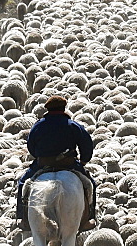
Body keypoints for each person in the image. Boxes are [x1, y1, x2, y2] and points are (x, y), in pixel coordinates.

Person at [16, 95, 96, 231]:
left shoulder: (39, 125)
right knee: (90, 184)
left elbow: (31, 146)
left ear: (48, 109)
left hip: (43, 164)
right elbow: (86, 143)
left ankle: (23, 219)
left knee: (22, 184)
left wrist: (41, 155)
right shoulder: (72, 125)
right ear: (63, 108)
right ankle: (88, 219)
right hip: (68, 164)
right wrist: (83, 161)